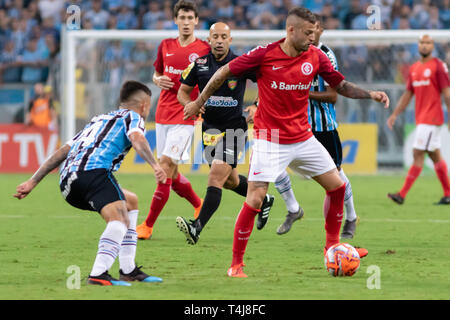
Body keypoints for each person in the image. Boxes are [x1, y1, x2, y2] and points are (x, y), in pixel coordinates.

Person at [184, 7, 389, 278]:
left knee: (338, 187)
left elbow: (339, 86)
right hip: (271, 139)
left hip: (303, 137)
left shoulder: (315, 56)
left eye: (315, 33)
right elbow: (223, 73)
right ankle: (236, 265)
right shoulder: (264, 55)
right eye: (307, 33)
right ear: (290, 30)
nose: (312, 39)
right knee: (255, 197)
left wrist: (370, 94)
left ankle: (332, 246)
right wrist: (198, 101)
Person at [14, 81, 167, 286]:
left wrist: (33, 181)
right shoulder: (133, 117)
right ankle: (98, 273)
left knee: (130, 201)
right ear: (144, 105)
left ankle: (128, 269)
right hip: (92, 172)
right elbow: (137, 138)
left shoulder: (98, 120)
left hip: (68, 182)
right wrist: (155, 165)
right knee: (120, 219)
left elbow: (62, 152)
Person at [174, 22, 275, 245]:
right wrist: (190, 104)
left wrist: (256, 104)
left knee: (215, 176)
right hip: (209, 129)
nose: (219, 41)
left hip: (234, 129)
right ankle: (264, 199)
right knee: (228, 180)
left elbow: (267, 82)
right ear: (208, 40)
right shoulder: (198, 64)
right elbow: (182, 91)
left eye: (224, 37)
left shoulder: (240, 63)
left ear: (230, 40)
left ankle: (196, 227)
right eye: (215, 37)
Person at [274, 15, 360, 239]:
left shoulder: (325, 56)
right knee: (270, 166)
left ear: (320, 30)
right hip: (293, 125)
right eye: (308, 30)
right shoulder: (291, 52)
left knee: (336, 177)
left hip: (322, 127)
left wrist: (301, 90)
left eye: (316, 29)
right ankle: (293, 209)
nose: (311, 34)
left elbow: (332, 96)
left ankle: (351, 217)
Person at [136, 0, 210, 240]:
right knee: (172, 171)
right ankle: (199, 204)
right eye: (182, 18)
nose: (186, 22)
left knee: (165, 166)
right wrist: (157, 80)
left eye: (191, 18)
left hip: (187, 114)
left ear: (196, 21)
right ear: (176, 20)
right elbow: (156, 72)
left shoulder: (204, 49)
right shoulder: (165, 45)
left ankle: (147, 225)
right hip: (163, 113)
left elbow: (213, 78)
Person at [387, 34, 450, 205]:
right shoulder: (414, 68)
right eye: (422, 42)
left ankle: (401, 194)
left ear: (432, 46)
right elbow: (408, 94)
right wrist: (395, 114)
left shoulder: (438, 66)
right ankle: (448, 194)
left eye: (428, 43)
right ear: (418, 45)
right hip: (421, 118)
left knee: (417, 153)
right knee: (435, 155)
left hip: (432, 118)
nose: (424, 45)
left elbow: (447, 93)